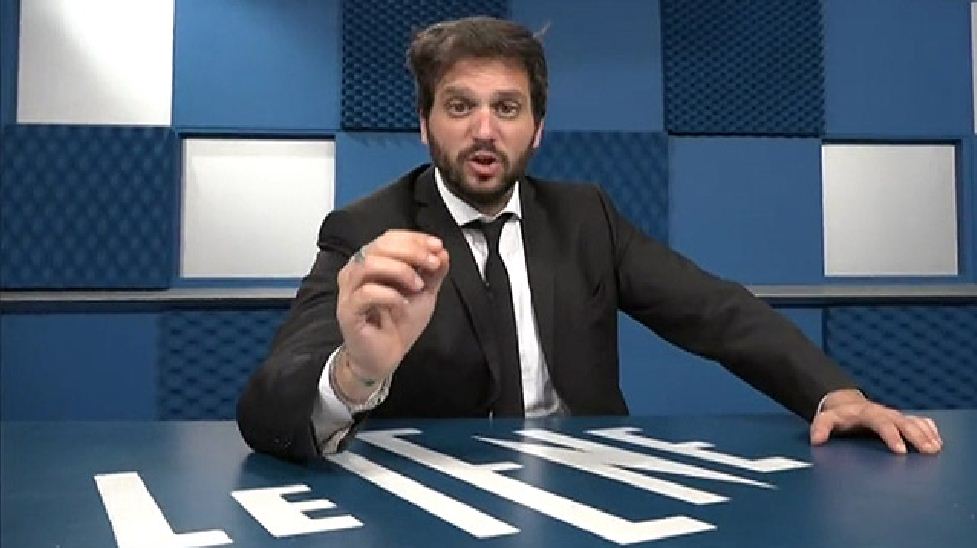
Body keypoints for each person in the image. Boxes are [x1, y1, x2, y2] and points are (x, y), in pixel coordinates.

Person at [236, 16, 942, 462]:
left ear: (536, 129)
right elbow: (267, 407)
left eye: (506, 108)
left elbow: (715, 311)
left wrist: (831, 392)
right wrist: (354, 373)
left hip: (589, 488)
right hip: (442, 506)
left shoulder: (585, 217)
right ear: (424, 125)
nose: (484, 129)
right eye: (459, 106)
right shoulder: (366, 231)